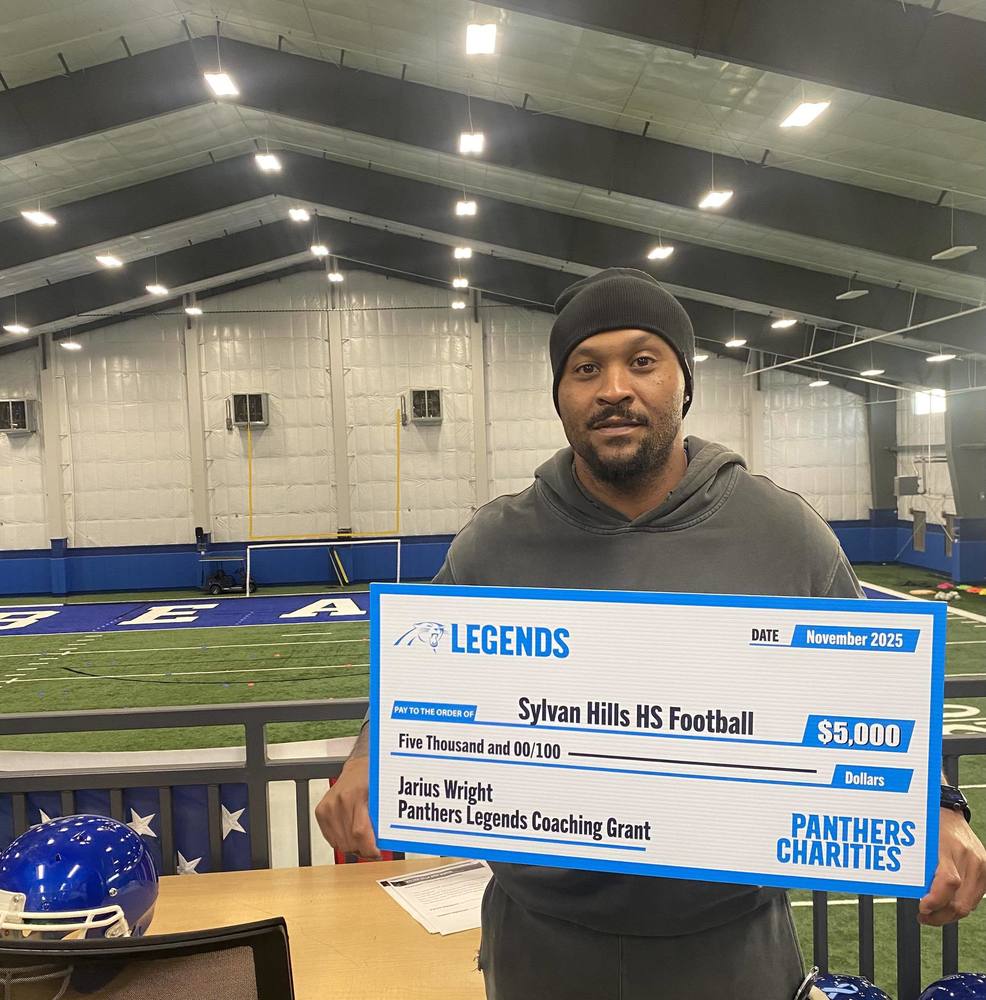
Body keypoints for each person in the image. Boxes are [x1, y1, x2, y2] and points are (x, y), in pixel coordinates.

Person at [316, 269, 986, 998]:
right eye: (585, 368)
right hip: (541, 949)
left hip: (731, 949)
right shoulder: (494, 544)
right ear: (560, 396)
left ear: (684, 383)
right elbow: (417, 682)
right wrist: (369, 753)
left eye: (641, 361)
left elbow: (870, 699)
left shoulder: (785, 533)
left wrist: (940, 807)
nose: (613, 388)